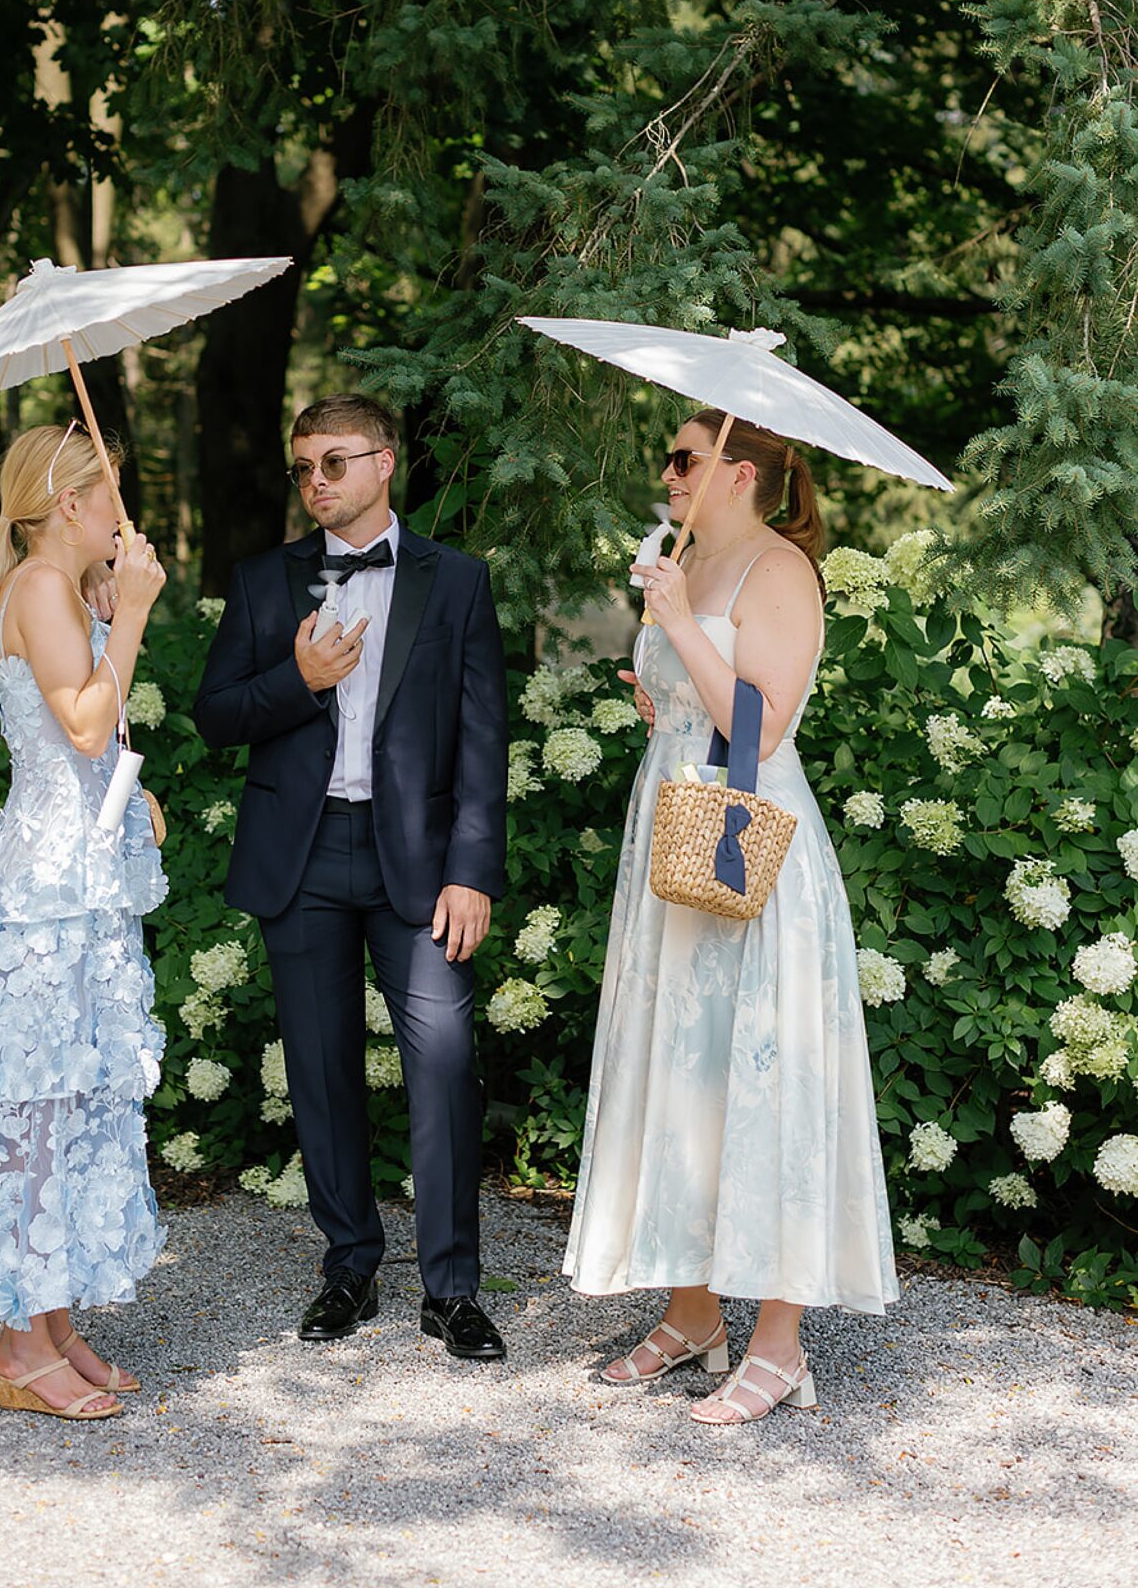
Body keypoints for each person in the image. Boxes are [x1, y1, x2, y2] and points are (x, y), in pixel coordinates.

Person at [563, 409, 898, 1425]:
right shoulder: (689, 560)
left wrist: (672, 623)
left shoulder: (779, 570)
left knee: (763, 1075)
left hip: (748, 848)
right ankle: (692, 1311)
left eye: (684, 458)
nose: (667, 474)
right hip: (673, 835)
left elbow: (761, 723)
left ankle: (780, 1345)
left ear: (739, 472)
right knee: (681, 1072)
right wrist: (657, 691)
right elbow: (696, 707)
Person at [195, 395, 509, 1360]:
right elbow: (215, 716)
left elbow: (483, 738)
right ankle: (349, 1268)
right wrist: (300, 682)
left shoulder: (457, 581)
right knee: (320, 1069)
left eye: (334, 462)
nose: (316, 482)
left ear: (384, 462)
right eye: (304, 467)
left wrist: (472, 871)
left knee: (443, 1066)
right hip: (303, 855)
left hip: (419, 861)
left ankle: (451, 1290)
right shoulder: (264, 580)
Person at [0, 421, 168, 1420]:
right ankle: (18, 1345)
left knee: (76, 1103)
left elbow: (91, 743)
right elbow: (80, 719)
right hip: (47, 893)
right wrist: (138, 615)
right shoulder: (38, 583)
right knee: (37, 1109)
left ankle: (56, 1321)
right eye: (110, 487)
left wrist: (113, 609)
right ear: (70, 502)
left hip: (82, 877)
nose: (123, 506)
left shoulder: (63, 589)